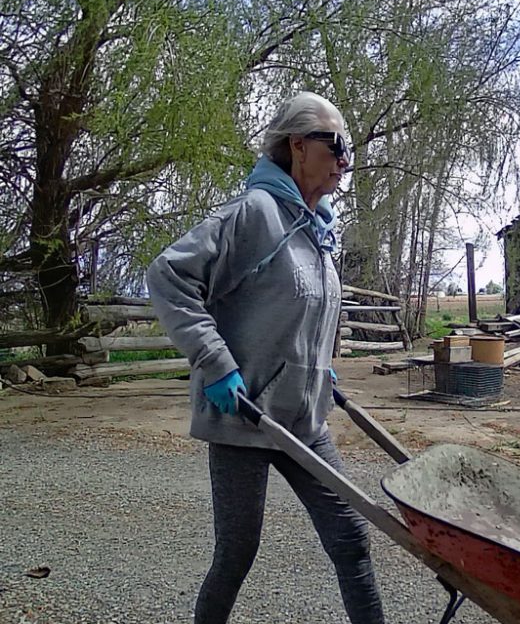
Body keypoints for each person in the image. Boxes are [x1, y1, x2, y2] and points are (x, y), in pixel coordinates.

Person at [146, 91, 384, 623]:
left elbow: (297, 310)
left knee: (352, 541)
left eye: (349, 149)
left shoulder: (315, 230)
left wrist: (318, 365)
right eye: (336, 146)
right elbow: (169, 275)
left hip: (305, 419)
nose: (346, 160)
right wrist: (215, 361)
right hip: (244, 415)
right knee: (237, 554)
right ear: (298, 146)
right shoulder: (255, 214)